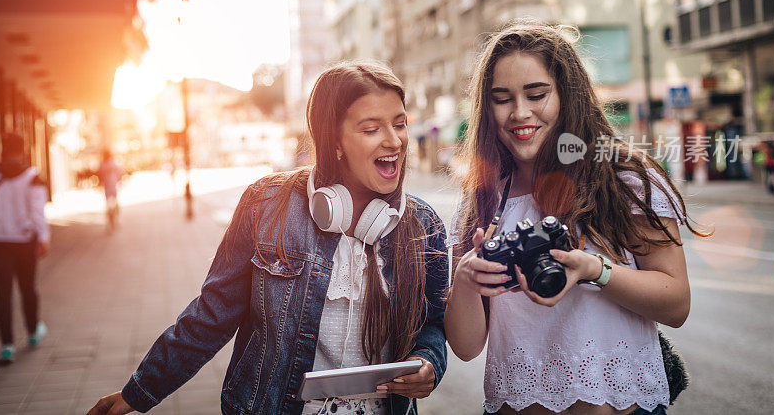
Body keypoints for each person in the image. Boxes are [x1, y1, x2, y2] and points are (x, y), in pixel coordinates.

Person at [87, 62, 449, 415]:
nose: (395, 140)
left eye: (400, 124)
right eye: (371, 129)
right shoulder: (267, 205)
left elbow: (432, 323)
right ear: (334, 141)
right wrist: (141, 390)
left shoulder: (424, 225)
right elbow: (212, 314)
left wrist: (428, 363)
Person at [444, 21, 711, 415]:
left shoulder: (624, 178)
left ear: (568, 96)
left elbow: (676, 305)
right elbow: (466, 348)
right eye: (502, 99)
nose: (520, 113)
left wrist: (594, 271)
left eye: (537, 94)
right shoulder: (482, 200)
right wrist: (466, 281)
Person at [0, 133, 49, 365]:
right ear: (23, 149)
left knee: (3, 292)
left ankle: (7, 346)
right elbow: (38, 211)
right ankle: (31, 333)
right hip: (24, 241)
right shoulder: (33, 176)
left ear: (2, 148)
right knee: (28, 287)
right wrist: (44, 238)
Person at [96, 149, 121, 230]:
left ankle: (110, 220)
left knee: (108, 205)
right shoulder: (114, 163)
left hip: (107, 187)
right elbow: (119, 172)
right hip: (113, 186)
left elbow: (99, 175)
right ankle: (115, 219)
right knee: (115, 203)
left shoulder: (102, 165)